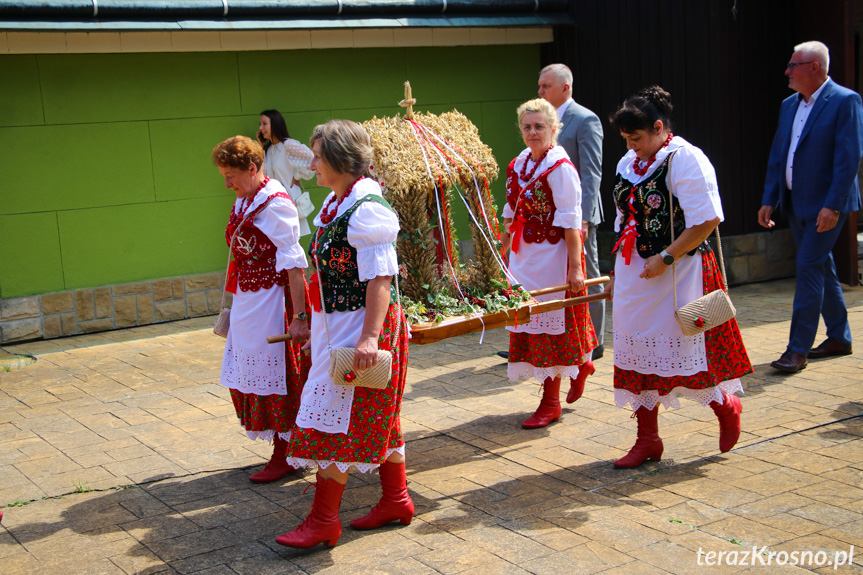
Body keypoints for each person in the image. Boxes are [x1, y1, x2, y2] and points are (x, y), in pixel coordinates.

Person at [276, 120, 411, 549]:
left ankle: (323, 521)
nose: (312, 163)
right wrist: (313, 325)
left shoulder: (367, 208)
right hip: (340, 325)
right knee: (373, 417)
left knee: (335, 422)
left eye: (318, 156)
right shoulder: (338, 204)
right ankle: (396, 499)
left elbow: (380, 281)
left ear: (339, 159)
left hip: (362, 328)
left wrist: (370, 339)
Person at [605, 86, 751, 468]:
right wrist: (616, 272)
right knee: (636, 352)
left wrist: (666, 257)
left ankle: (725, 407)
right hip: (636, 273)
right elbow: (624, 218)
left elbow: (707, 219)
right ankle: (648, 439)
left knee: (687, 350)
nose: (631, 146)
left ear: (658, 127)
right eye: (626, 139)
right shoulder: (628, 163)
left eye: (636, 138)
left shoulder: (686, 159)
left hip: (679, 272)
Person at [759, 41, 863, 373]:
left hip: (826, 205)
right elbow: (779, 155)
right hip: (795, 203)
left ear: (814, 67)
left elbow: (849, 159)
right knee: (821, 267)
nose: (787, 71)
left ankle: (797, 349)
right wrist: (769, 199)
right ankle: (839, 337)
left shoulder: (845, 101)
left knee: (807, 269)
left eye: (793, 65)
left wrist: (833, 205)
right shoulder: (789, 105)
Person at [213, 135, 311, 484]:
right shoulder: (246, 200)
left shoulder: (275, 204)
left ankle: (288, 453)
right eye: (223, 175)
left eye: (231, 175)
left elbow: (294, 264)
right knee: (249, 378)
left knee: (281, 379)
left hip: (273, 302)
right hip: (249, 302)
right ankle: (285, 448)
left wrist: (300, 317)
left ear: (253, 168)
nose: (227, 183)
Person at [501, 98, 597, 429]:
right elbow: (510, 212)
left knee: (552, 327)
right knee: (529, 321)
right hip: (524, 258)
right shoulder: (519, 164)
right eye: (527, 126)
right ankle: (580, 365)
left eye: (539, 126)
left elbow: (572, 223)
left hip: (553, 257)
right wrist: (503, 255)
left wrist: (575, 268)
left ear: (554, 129)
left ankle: (550, 402)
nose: (532, 132)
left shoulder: (561, 170)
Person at [538, 63, 606, 365]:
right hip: (551, 218)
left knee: (587, 275)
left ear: (565, 88)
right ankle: (560, 338)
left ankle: (596, 341)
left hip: (578, 215)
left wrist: (585, 217)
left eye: (545, 86)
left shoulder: (584, 119)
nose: (539, 92)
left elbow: (591, 172)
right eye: (539, 86)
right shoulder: (542, 121)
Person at [257, 109, 316, 236]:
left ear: (275, 124)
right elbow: (261, 173)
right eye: (260, 124)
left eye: (264, 123)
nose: (261, 128)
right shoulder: (269, 149)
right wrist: (261, 147)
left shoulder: (288, 145)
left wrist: (297, 176)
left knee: (289, 241)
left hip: (288, 201)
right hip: (272, 203)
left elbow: (311, 159)